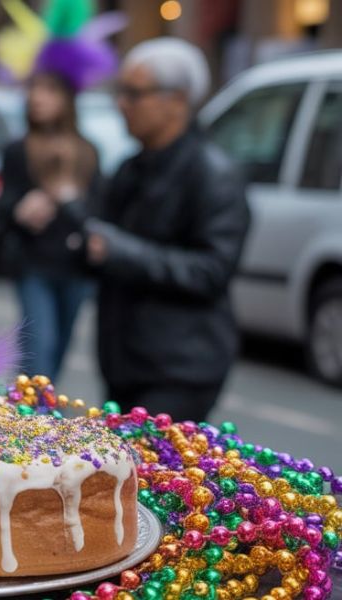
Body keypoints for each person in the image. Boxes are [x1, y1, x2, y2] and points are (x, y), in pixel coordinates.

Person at [86, 38, 250, 422]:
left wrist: (118, 251)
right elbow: (98, 245)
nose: (121, 104)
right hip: (124, 362)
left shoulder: (213, 173)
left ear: (176, 100)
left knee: (159, 479)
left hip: (180, 369)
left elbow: (211, 270)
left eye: (133, 93)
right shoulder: (130, 167)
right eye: (119, 91)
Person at [0, 0, 118, 380]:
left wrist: (68, 199)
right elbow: (2, 210)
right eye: (34, 88)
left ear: (67, 96)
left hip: (75, 269)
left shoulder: (88, 149)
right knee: (38, 358)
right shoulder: (17, 149)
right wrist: (20, 210)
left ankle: (41, 426)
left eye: (48, 90)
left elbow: (100, 212)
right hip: (34, 265)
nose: (37, 97)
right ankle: (32, 427)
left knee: (59, 356)